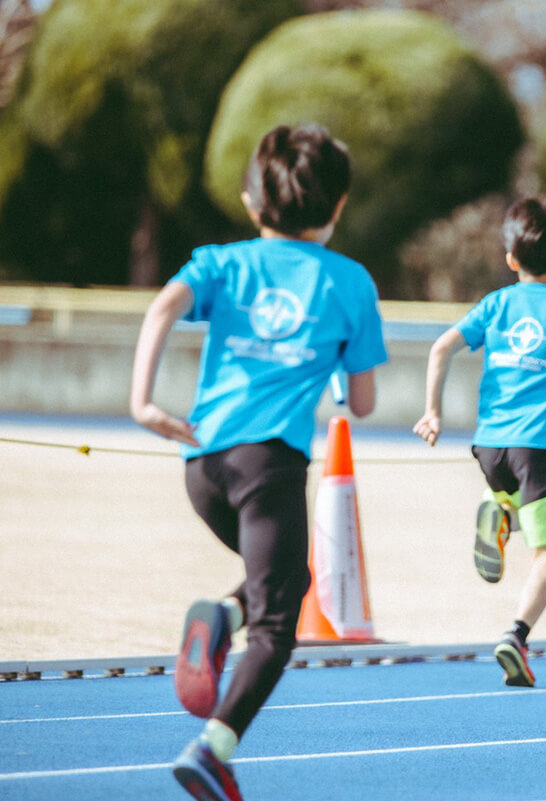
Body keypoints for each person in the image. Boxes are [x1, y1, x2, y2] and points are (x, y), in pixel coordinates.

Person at [130, 123, 387, 800]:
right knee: (280, 623)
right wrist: (333, 367)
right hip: (267, 469)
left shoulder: (221, 262)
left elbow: (161, 308)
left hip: (202, 463)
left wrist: (142, 402)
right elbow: (360, 402)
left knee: (286, 584)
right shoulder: (350, 282)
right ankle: (213, 747)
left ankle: (220, 616)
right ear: (338, 205)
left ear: (251, 201)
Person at [413, 197, 546, 687]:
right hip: (540, 452)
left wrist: (433, 411)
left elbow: (441, 347)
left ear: (511, 259)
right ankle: (516, 636)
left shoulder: (495, 305)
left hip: (490, 448)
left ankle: (498, 509)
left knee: (512, 494)